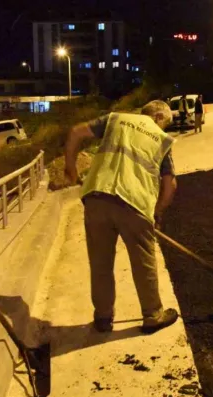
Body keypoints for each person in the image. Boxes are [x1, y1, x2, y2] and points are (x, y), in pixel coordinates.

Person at [64, 100, 180, 335]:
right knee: (143, 261)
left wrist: (71, 166)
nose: (163, 128)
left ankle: (103, 318)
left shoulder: (115, 119)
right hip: (134, 203)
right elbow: (170, 186)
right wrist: (157, 212)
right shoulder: (161, 138)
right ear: (158, 117)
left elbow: (76, 132)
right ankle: (152, 314)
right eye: (164, 123)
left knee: (100, 263)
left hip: (96, 197)